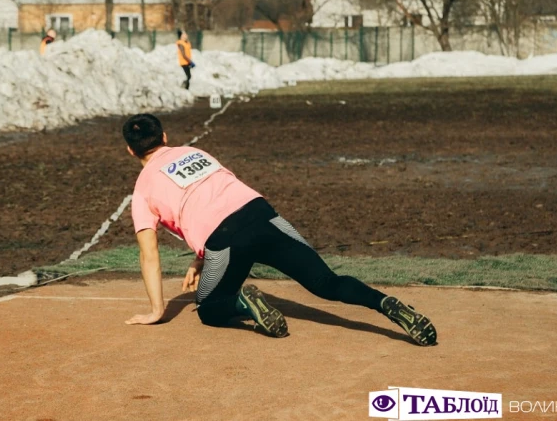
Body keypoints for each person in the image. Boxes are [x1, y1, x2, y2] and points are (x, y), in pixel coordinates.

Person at [122, 114, 438, 346]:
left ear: (131, 151)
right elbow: (217, 197)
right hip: (262, 214)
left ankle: (244, 301)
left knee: (208, 308)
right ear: (164, 137)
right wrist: (200, 257)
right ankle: (383, 303)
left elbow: (150, 255)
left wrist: (156, 310)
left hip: (225, 240)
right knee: (327, 282)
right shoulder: (195, 152)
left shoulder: (142, 189)